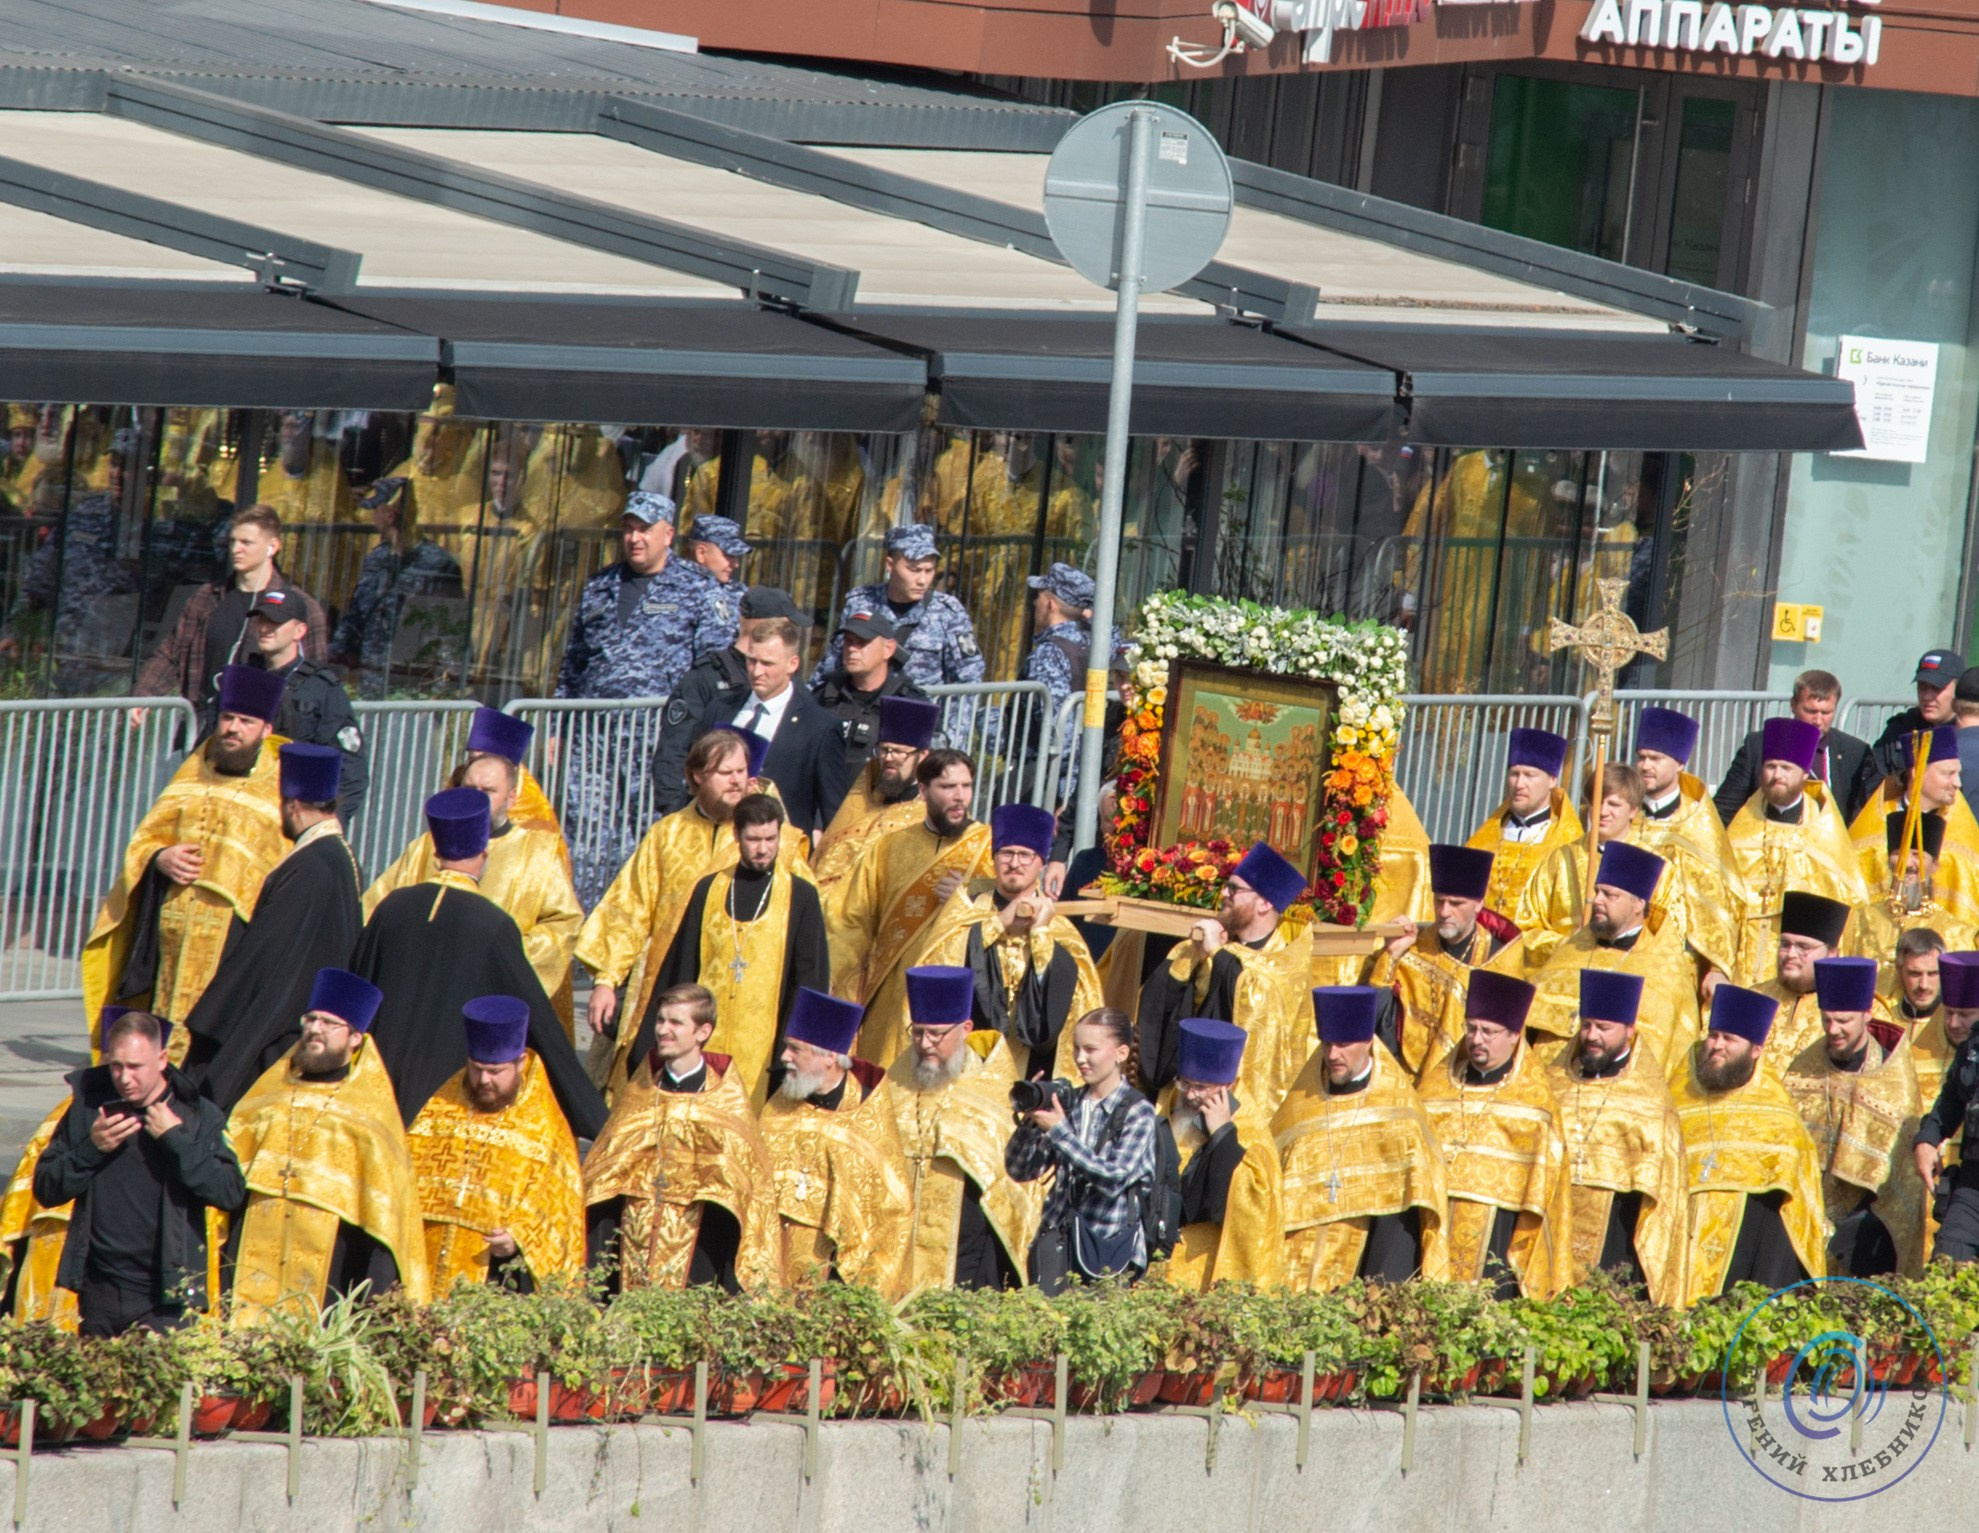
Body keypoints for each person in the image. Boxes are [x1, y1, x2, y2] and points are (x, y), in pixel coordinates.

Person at [351, 790, 605, 1139]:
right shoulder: (492, 924)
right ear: (484, 856)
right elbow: (538, 1022)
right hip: (444, 1097)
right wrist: (595, 1118)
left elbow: (357, 986)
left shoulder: (393, 907)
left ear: (436, 854)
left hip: (374, 1088)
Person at [579, 729, 812, 1098]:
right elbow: (630, 909)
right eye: (725, 773)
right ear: (697, 776)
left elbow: (806, 915)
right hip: (675, 986)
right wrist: (606, 980)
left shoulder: (773, 838)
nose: (737, 781)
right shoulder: (667, 835)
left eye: (741, 771)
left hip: (755, 995)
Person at [84, 664, 289, 1043]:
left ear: (266, 730)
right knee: (163, 1021)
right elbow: (145, 839)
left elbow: (285, 863)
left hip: (234, 939)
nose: (232, 728)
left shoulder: (278, 790)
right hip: (170, 936)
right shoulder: (190, 776)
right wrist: (160, 857)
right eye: (228, 717)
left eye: (246, 721)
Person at [555, 490, 735, 904]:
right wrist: (560, 729)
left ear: (668, 534)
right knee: (587, 834)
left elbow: (714, 668)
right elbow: (575, 661)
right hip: (595, 739)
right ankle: (587, 926)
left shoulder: (699, 586)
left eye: (645, 530)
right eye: (629, 529)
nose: (635, 538)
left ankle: (639, 932)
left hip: (658, 737)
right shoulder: (600, 586)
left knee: (648, 833)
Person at [225, 969, 430, 1324]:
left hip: (330, 1273)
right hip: (249, 1262)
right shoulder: (266, 1098)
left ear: (355, 1038)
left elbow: (385, 1217)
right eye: (311, 1019)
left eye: (329, 1023)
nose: (315, 1029)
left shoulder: (370, 1116)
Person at [31, 1011, 243, 1337]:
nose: (124, 1078)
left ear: (162, 1059)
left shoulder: (196, 1115)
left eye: (135, 1067)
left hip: (166, 1296)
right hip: (100, 1288)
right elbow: (46, 1188)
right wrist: (92, 1147)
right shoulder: (90, 1109)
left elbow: (228, 1192)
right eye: (116, 1066)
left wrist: (177, 1141)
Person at [179, 743, 364, 1112]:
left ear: (293, 804)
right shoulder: (339, 857)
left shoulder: (310, 867)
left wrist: (214, 1014)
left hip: (277, 1033)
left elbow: (262, 956)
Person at [363, 708, 582, 1012]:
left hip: (493, 1000)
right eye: (471, 789)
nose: (477, 800)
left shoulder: (538, 852)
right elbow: (375, 908)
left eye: (488, 791)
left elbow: (563, 923)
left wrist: (502, 964)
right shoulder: (425, 846)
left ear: (512, 795)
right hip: (422, 994)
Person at [583, 983, 782, 1293]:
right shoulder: (640, 1092)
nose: (663, 1030)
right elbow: (603, 1169)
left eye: (676, 1023)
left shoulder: (725, 1103)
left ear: (703, 1032)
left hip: (702, 1247)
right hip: (633, 1241)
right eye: (661, 1020)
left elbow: (748, 1184)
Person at [643, 792, 830, 1106]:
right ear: (736, 836)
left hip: (766, 1048)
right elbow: (682, 966)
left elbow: (810, 980)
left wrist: (795, 1053)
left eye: (771, 839)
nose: (763, 849)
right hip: (704, 1041)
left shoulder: (801, 895)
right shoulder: (709, 888)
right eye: (754, 839)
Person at [406, 996, 586, 1296]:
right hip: (428, 1261)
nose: (484, 1081)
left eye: (495, 1071)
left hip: (497, 1276)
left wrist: (518, 1236)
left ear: (520, 1062)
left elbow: (558, 1201)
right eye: (477, 1068)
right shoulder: (439, 1110)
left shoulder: (541, 1123)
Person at [1270, 987, 1448, 1290]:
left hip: (1362, 1278)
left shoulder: (1398, 1117)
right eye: (1326, 1044)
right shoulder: (1300, 1107)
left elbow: (1399, 1225)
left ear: (1368, 1041)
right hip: (1291, 1279)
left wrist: (1376, 1296)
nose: (1332, 1055)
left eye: (1343, 1044)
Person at [826, 748, 995, 1066]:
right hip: (891, 997)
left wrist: (969, 899)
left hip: (957, 1002)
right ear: (923, 791)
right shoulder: (889, 848)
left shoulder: (992, 847)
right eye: (947, 787)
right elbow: (851, 922)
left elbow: (1016, 912)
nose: (960, 797)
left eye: (966, 786)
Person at [872, 966, 1036, 1290]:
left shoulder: (991, 1091)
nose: (925, 1044)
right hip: (896, 1248)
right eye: (917, 1033)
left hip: (965, 1252)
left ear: (965, 1028)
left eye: (936, 1034)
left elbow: (1011, 1187)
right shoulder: (893, 1084)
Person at [912, 803, 1103, 1081]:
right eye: (1007, 853)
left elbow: (1082, 999)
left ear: (1041, 862)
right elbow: (936, 961)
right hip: (965, 1062)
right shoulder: (966, 906)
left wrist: (1039, 935)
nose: (1015, 863)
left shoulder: (1059, 927)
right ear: (994, 857)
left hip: (1031, 1065)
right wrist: (997, 923)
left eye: (1025, 855)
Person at [1415, 970, 1574, 1297]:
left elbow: (1544, 1200)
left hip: (1496, 1245)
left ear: (1515, 1035)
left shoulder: (1536, 1107)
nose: (1476, 1039)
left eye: (1488, 1031)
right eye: (1470, 1028)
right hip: (1433, 1235)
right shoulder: (1432, 1092)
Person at [1137, 843, 1318, 1120]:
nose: (1223, 894)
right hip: (1187, 1097)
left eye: (1234, 889)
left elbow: (1256, 999)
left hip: (1243, 1110)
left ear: (1265, 902)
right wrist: (1190, 959)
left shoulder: (1284, 963)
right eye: (1225, 886)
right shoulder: (1215, 947)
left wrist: (1216, 954)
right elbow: (1159, 1001)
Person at [1671, 984, 1828, 1300]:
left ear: (1756, 1049)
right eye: (1714, 1035)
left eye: (1729, 1039)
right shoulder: (1678, 1097)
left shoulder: (1779, 1121)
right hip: (1675, 1255)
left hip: (1745, 1267)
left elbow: (1792, 1218)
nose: (1716, 1046)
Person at [753, 988, 912, 1295]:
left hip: (832, 1276)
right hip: (769, 1262)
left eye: (796, 1049)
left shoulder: (868, 1116)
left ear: (828, 1058)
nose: (784, 1056)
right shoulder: (779, 1102)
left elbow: (889, 1210)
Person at [1543, 970, 1688, 1304]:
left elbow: (1665, 1194)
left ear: (1630, 1030)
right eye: (1586, 1025)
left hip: (1616, 1236)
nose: (1591, 1036)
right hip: (1555, 1228)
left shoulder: (1651, 1101)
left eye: (1603, 1028)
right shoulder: (1554, 1083)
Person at [1780, 957, 1923, 1277]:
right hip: (1808, 1207)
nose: (1834, 1030)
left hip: (1868, 1218)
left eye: (1844, 1021)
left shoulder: (1892, 1075)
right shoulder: (1805, 1065)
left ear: (1867, 1015)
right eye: (1827, 1020)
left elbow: (1900, 1180)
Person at [132, 505, 328, 726]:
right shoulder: (207, 597)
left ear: (272, 547)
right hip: (205, 725)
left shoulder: (300, 607)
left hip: (265, 731)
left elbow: (315, 677)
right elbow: (170, 654)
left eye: (247, 543)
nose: (236, 549)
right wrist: (144, 696)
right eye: (233, 541)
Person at [1006, 1008, 1156, 1294]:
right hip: (1057, 1245)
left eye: (1091, 1049)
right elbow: (1020, 1170)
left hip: (1107, 1248)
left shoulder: (1138, 1112)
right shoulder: (1070, 1102)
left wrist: (1060, 1132)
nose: (1080, 1058)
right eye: (1076, 1048)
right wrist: (1029, 1123)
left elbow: (1114, 1178)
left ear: (1121, 1053)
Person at [1524, 841, 1701, 1073]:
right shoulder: (1572, 951)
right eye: (1597, 891)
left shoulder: (1665, 971)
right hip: (1549, 1079)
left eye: (1610, 895)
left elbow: (1669, 1048)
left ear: (1638, 903)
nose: (1597, 900)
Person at [1723, 716, 1869, 983]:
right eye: (1770, 766)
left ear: (1804, 773)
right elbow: (1719, 906)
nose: (1776, 775)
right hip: (1739, 962)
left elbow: (1849, 907)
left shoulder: (1825, 836)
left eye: (1785, 767)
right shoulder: (1739, 832)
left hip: (1798, 965)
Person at [811, 524, 985, 740]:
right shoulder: (861, 601)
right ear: (890, 565)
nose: (922, 580)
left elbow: (968, 680)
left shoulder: (947, 611)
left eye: (929, 571)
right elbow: (833, 662)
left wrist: (949, 740)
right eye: (913, 570)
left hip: (913, 727)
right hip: (860, 719)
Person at [650, 586, 809, 816]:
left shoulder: (789, 684)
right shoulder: (706, 679)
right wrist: (677, 817)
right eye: (786, 624)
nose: (791, 632)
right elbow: (673, 755)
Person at [1368, 844, 1523, 1079]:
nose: (1444, 912)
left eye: (1456, 903)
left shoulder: (1499, 960)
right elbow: (1379, 1022)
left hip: (1461, 1082)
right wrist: (1391, 954)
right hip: (1401, 1079)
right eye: (1439, 901)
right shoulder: (1413, 947)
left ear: (1478, 904)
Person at [693, 615, 851, 836]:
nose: (757, 672)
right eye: (751, 660)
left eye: (767, 663)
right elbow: (695, 778)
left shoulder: (819, 728)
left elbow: (835, 813)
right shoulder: (720, 709)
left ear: (792, 664)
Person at [328, 476, 465, 699]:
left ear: (389, 515)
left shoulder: (438, 565)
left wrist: (440, 694)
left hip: (412, 689)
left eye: (375, 511)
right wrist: (331, 660)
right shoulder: (377, 559)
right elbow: (357, 615)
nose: (372, 519)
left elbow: (449, 634)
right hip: (370, 683)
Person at [243, 587, 369, 822]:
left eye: (275, 622)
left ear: (299, 630)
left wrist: (323, 826)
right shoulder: (244, 680)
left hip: (295, 817)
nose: (264, 628)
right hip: (245, 813)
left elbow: (351, 772)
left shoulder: (322, 688)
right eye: (261, 620)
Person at [1850, 724, 1979, 928]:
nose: (1957, 783)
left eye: (1958, 773)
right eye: (1948, 773)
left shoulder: (1965, 837)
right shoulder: (1872, 831)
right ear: (1916, 772)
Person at [813, 695, 939, 896]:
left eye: (899, 752)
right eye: (884, 750)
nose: (889, 758)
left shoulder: (932, 812)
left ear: (922, 756)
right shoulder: (861, 799)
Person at [1714, 669, 1875, 826]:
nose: (1818, 721)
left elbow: (1860, 819)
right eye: (1810, 711)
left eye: (1826, 713)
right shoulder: (1758, 745)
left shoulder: (1855, 752)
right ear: (1793, 705)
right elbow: (1726, 808)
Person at [1749, 889, 1885, 1067]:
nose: (1790, 954)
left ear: (1832, 953)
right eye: (1784, 944)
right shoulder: (1753, 998)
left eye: (1803, 947)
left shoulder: (1860, 1006)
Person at [1463, 728, 1584, 923]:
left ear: (1552, 780)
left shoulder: (1567, 844)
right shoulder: (1483, 839)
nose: (1519, 784)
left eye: (1529, 775)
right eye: (1514, 774)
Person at [811, 609, 931, 795]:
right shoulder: (825, 695)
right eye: (848, 642)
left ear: (888, 649)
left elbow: (923, 767)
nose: (852, 649)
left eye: (862, 643)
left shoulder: (908, 703)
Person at [1855, 809, 1979, 983]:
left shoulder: (1957, 932)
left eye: (1917, 855)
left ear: (1934, 865)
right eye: (1899, 854)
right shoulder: (1861, 921)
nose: (1907, 864)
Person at [1916, 951, 1979, 1261]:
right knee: (1947, 1269)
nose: (1954, 1023)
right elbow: (1953, 1098)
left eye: (1965, 1014)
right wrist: (1928, 1138)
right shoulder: (1972, 1048)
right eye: (1949, 1012)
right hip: (1972, 1186)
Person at [1019, 562, 1095, 800]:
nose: (1034, 603)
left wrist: (1063, 790)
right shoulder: (1093, 644)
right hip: (1080, 779)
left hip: (1052, 787)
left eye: (1039, 597)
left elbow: (1058, 730)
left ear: (1050, 604)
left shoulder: (1050, 653)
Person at [1870, 647, 1965, 782]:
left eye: (1936, 688)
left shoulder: (1968, 736)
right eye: (1922, 687)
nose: (1927, 696)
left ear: (1958, 690)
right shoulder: (1900, 730)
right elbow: (1873, 785)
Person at [683, 514, 749, 631]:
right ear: (701, 553)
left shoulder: (738, 591)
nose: (736, 564)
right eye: (729, 555)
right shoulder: (671, 588)